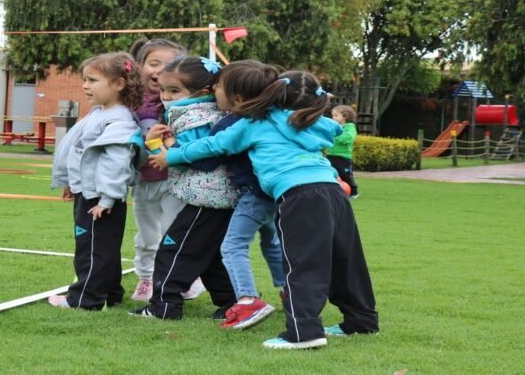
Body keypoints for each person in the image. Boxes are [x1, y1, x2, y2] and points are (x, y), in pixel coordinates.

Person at [151, 61, 379, 349]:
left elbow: (213, 146)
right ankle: (361, 321)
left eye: (219, 87)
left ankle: (304, 332)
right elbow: (332, 130)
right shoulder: (307, 120)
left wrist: (170, 156)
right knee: (347, 260)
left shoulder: (255, 122)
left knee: (301, 264)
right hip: (333, 191)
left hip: (299, 196)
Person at [130, 56, 237, 320]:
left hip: (206, 198)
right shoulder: (204, 113)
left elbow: (200, 160)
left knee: (172, 248)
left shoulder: (195, 118)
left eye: (174, 90)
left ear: (202, 92)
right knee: (209, 255)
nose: (166, 96)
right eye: (163, 90)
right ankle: (233, 304)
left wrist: (159, 144)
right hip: (215, 199)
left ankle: (164, 306)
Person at [182, 77, 286, 330]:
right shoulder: (270, 118)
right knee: (271, 242)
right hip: (274, 194)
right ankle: (288, 290)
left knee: (232, 247)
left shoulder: (230, 124)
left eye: (218, 88)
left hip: (252, 196)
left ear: (237, 99)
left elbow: (205, 161)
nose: (213, 91)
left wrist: (171, 147)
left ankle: (248, 300)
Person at [48, 52, 146, 310]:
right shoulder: (99, 112)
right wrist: (71, 182)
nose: (85, 86)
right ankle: (110, 293)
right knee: (104, 248)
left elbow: (117, 162)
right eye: (84, 80)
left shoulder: (119, 120)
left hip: (100, 199)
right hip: (90, 194)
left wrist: (107, 198)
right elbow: (81, 153)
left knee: (91, 250)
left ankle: (85, 299)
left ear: (118, 84)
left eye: (92, 80)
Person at [127, 38, 206, 302]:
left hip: (176, 181)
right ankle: (147, 279)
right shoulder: (131, 102)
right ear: (140, 66)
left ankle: (182, 278)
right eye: (153, 63)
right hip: (145, 180)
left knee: (172, 233)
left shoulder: (187, 105)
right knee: (147, 235)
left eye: (168, 64)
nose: (159, 70)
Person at [327, 104, 359, 198]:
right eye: (333, 115)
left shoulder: (350, 127)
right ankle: (333, 191)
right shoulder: (334, 127)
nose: (333, 117)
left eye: (336, 115)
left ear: (345, 117)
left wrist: (335, 138)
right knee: (330, 174)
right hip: (331, 155)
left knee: (346, 175)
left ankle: (353, 192)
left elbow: (348, 138)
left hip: (343, 157)